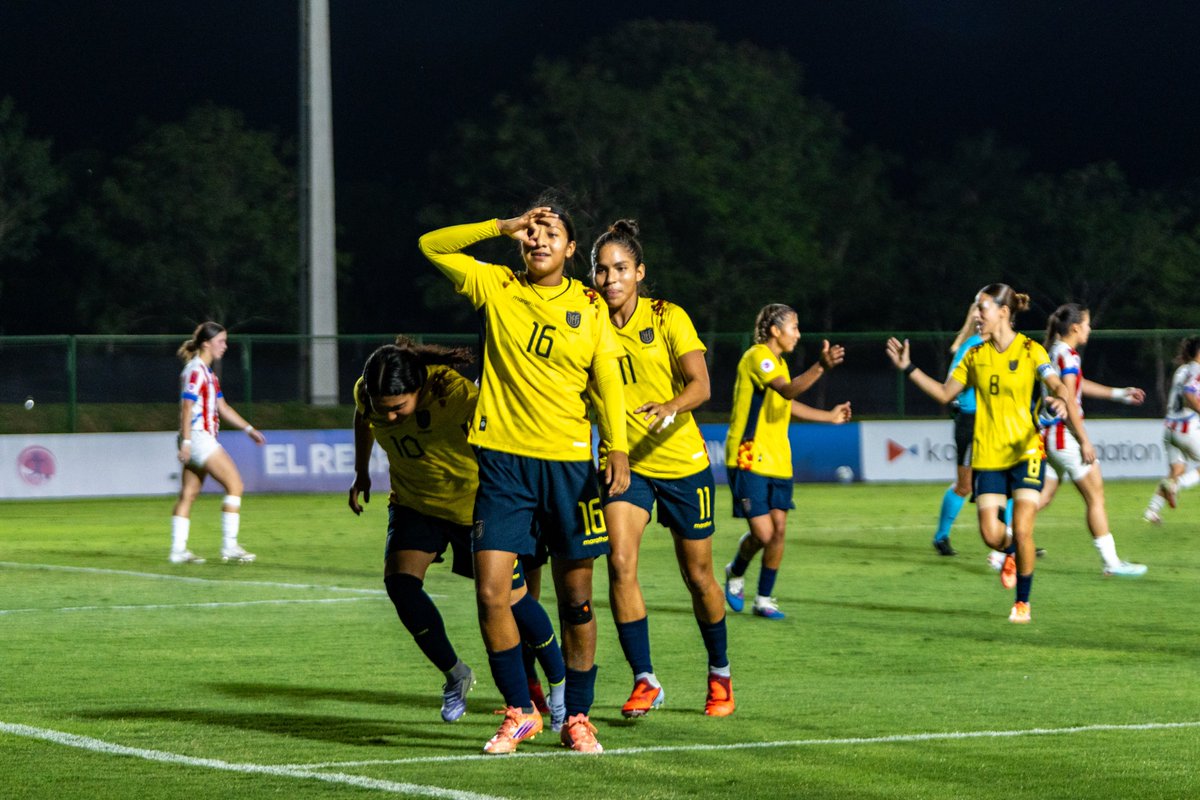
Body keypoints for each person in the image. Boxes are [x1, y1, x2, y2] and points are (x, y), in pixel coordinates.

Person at [419, 200, 630, 755]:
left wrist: (618, 447)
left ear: (568, 249)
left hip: (567, 468)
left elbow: (607, 377)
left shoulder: (590, 305)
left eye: (551, 232)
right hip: (502, 463)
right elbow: (431, 244)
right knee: (492, 593)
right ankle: (519, 711)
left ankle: (578, 718)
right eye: (531, 232)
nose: (538, 239)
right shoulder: (496, 286)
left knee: (576, 599)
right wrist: (499, 225)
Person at [347, 340, 567, 726]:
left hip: (473, 506)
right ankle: (455, 674)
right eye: (385, 410)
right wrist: (362, 471)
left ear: (419, 388)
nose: (391, 417)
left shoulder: (455, 394)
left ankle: (560, 684)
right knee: (400, 585)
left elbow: (502, 431)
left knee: (511, 601)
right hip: (414, 503)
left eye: (399, 408)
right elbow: (362, 418)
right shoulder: (368, 393)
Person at [589, 219, 734, 719]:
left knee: (698, 578)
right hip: (625, 465)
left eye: (621, 269)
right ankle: (645, 679)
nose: (611, 279)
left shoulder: (669, 316)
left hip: (682, 463)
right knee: (621, 564)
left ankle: (720, 673)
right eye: (602, 270)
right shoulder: (587, 320)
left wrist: (671, 405)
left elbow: (701, 385)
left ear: (639, 271)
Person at [886, 284, 1095, 623]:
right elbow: (943, 393)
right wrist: (908, 368)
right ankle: (1012, 551)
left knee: (1023, 528)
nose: (976, 315)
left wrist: (1059, 399)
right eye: (976, 308)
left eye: (982, 308)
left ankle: (1022, 603)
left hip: (1027, 450)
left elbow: (1056, 384)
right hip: (988, 456)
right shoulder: (974, 355)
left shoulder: (1031, 350)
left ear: (1003, 312)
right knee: (991, 535)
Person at [722, 304, 850, 621]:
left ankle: (763, 599)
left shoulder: (777, 364)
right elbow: (788, 390)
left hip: (779, 459)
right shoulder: (758, 357)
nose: (798, 333)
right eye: (793, 327)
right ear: (775, 331)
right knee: (764, 534)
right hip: (748, 456)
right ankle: (735, 569)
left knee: (779, 532)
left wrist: (828, 417)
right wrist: (820, 366)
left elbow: (786, 403)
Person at [1037, 303, 1147, 577]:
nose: (1089, 328)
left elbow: (1077, 385)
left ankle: (1001, 547)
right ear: (1075, 327)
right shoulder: (1068, 355)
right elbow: (1069, 402)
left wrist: (1119, 394)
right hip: (1064, 436)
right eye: (1086, 324)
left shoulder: (1056, 351)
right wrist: (1084, 440)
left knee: (1043, 497)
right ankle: (1111, 563)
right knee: (1095, 496)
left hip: (1049, 434)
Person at [169, 322, 264, 564]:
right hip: (199, 438)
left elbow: (223, 407)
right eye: (220, 341)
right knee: (235, 485)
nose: (225, 345)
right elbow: (187, 406)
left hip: (197, 439)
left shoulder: (209, 375)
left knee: (189, 493)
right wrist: (188, 441)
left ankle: (178, 551)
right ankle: (229, 546)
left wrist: (248, 429)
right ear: (206, 344)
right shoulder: (196, 371)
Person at [932, 305, 984, 556]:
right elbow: (950, 386)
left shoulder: (1008, 345)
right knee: (965, 486)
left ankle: (1014, 539)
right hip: (972, 420)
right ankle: (941, 536)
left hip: (994, 420)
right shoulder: (973, 345)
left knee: (1009, 481)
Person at [1144, 335, 1200, 524]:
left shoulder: (1182, 370)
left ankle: (1152, 510)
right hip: (1185, 426)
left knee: (1177, 468)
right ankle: (1177, 486)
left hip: (1170, 428)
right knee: (1178, 477)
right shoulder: (1197, 369)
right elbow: (1189, 393)